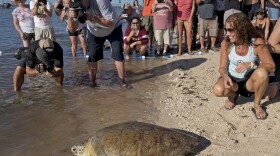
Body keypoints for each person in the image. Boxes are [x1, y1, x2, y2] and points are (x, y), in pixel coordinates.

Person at [212, 13, 275, 120]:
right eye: (226, 30)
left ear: (241, 29)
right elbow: (222, 67)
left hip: (249, 82)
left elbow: (271, 66)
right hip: (233, 82)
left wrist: (251, 64)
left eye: (231, 30)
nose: (227, 33)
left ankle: (256, 104)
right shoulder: (226, 43)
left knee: (262, 73)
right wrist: (225, 76)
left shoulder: (256, 42)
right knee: (218, 90)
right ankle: (233, 95)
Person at [67, 0, 127, 87]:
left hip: (114, 29)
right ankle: (92, 83)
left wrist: (94, 18)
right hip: (94, 32)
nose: (82, 5)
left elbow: (111, 24)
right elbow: (72, 30)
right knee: (92, 56)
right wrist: (70, 18)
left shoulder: (101, 2)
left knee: (117, 53)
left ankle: (122, 82)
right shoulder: (76, 6)